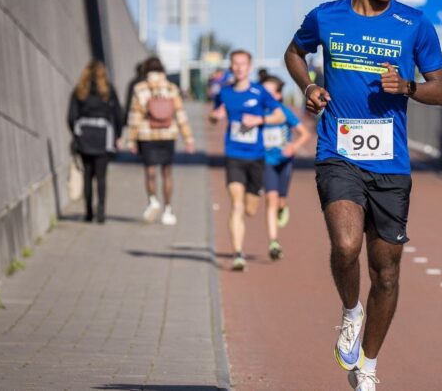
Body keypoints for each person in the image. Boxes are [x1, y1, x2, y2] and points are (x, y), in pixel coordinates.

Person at [284, 0, 442, 389]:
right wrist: (310, 85)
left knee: (388, 273)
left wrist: (409, 87)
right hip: (338, 151)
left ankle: (369, 367)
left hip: (390, 164)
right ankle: (351, 311)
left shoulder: (414, 23)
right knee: (346, 245)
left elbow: (441, 90)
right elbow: (294, 54)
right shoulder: (327, 16)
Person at [209, 50, 286, 271]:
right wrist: (215, 117)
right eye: (235, 64)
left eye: (243, 64)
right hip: (233, 155)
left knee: (251, 209)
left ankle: (253, 199)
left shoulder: (259, 91)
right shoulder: (224, 93)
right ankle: (238, 255)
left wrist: (259, 119)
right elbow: (214, 115)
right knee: (236, 203)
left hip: (256, 157)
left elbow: (279, 115)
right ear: (231, 67)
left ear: (249, 67)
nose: (239, 68)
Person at [127, 56, 196, 225]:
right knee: (167, 173)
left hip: (146, 134)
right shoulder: (172, 88)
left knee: (150, 171)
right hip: (168, 134)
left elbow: (135, 116)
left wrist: (131, 139)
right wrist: (188, 138)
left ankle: (153, 200)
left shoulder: (140, 88)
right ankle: (168, 210)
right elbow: (180, 114)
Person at [260, 75, 311, 260]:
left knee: (280, 201)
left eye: (268, 91)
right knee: (270, 199)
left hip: (284, 161)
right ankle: (274, 242)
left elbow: (304, 134)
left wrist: (294, 147)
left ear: (278, 95)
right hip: (266, 161)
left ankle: (283, 206)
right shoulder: (258, 113)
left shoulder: (284, 112)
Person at [67, 60, 124, 223]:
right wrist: (118, 135)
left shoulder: (79, 91)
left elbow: (71, 117)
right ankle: (101, 212)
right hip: (103, 136)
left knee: (87, 174)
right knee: (101, 176)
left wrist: (76, 134)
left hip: (84, 135)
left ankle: (88, 212)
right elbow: (118, 114)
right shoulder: (107, 91)